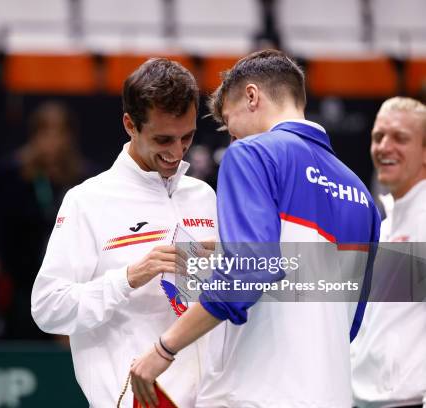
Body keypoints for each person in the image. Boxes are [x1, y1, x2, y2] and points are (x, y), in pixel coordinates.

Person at [130, 49, 381, 408]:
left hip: (256, 394)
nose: (233, 141)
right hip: (333, 395)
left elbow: (251, 270)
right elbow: (352, 322)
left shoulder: (253, 154)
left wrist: (163, 348)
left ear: (251, 96)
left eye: (232, 127)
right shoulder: (361, 194)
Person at [31, 58, 221, 407]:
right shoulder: (88, 201)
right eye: (163, 139)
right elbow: (47, 309)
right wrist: (129, 277)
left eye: (187, 136)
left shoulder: (204, 197)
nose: (177, 152)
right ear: (130, 125)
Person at [0, 101, 93, 340]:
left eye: (58, 133)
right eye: (44, 132)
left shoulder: (85, 177)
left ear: (69, 137)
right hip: (20, 275)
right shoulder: (10, 173)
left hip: (69, 279)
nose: (51, 141)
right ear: (33, 136)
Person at [351, 97, 426, 408]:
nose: (384, 147)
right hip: (365, 399)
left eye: (400, 138)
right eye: (378, 136)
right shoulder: (388, 221)